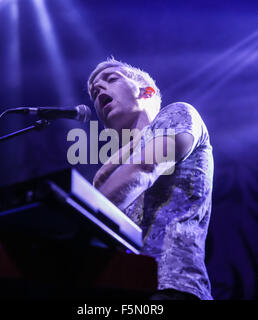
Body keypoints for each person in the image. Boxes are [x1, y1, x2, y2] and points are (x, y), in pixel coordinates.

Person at [87, 58, 214, 300]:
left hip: (171, 288)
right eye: (94, 92)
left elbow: (146, 167)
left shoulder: (179, 114)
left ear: (147, 91)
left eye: (112, 79)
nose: (99, 89)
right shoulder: (108, 171)